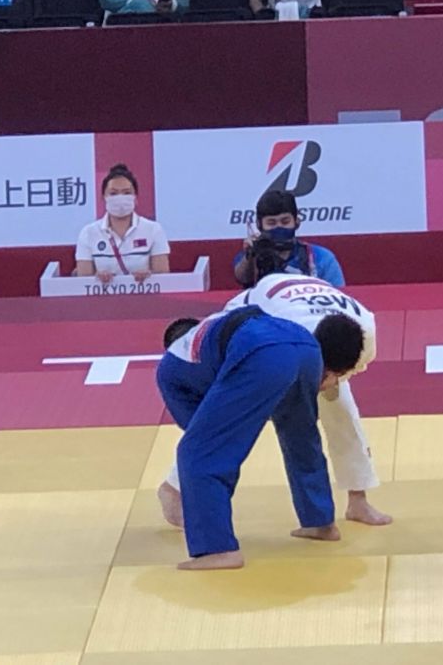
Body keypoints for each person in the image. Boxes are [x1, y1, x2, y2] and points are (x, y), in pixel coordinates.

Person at [159, 270, 393, 529]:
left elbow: (345, 369)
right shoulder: (285, 334)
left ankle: (358, 500)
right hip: (252, 314)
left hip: (299, 307)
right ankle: (173, 488)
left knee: (341, 409)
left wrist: (332, 380)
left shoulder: (365, 333)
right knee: (230, 417)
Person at [158, 307, 365, 570]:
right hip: (306, 345)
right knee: (301, 436)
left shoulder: (169, 369)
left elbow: (199, 429)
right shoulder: (209, 329)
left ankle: (217, 549)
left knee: (197, 452)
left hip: (260, 352)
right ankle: (320, 522)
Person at [75, 164, 170, 283]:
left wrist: (149, 276)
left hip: (145, 294)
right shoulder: (88, 233)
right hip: (102, 295)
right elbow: (83, 281)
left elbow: (163, 277)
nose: (120, 198)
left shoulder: (153, 229)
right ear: (104, 197)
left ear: (135, 197)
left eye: (126, 193)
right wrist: (97, 278)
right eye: (113, 193)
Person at [233, 190, 344, 288]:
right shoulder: (249, 257)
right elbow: (243, 278)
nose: (279, 227)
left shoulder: (322, 257)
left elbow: (340, 295)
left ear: (297, 222)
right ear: (259, 225)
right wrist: (251, 254)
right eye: (271, 223)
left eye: (285, 222)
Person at [99, 0, 189, 15]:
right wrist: (133, 3)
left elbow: (189, 2)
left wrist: (172, 4)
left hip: (167, 23)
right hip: (124, 22)